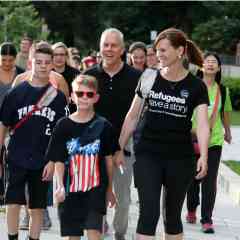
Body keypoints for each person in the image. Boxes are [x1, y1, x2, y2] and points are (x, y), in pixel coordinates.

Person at [116, 28, 210, 240]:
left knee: (172, 216)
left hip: (181, 158)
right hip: (148, 153)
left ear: (180, 51)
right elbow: (132, 116)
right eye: (157, 50)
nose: (158, 55)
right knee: (147, 214)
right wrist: (118, 147)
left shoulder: (196, 86)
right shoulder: (149, 77)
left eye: (164, 50)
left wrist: (203, 155)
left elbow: (203, 124)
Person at [0, 42, 67, 240]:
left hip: (43, 159)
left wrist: (54, 161)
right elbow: (4, 125)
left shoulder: (58, 98)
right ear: (31, 63)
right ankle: (12, 237)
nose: (43, 66)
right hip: (17, 155)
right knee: (12, 203)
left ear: (52, 65)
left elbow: (61, 134)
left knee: (36, 207)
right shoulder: (16, 93)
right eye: (39, 62)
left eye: (47, 62)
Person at [84, 28, 141, 240]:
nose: (109, 49)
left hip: (124, 146)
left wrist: (120, 146)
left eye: (113, 45)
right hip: (93, 146)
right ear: (100, 47)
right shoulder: (88, 76)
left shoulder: (136, 77)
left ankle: (119, 233)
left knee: (123, 198)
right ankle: (97, 229)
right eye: (105, 44)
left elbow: (138, 116)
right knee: (94, 195)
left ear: (122, 49)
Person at [45, 74, 117, 240]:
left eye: (89, 94)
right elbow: (58, 159)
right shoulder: (63, 125)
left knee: (94, 233)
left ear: (96, 97)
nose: (84, 98)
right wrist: (60, 185)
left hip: (96, 189)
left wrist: (110, 190)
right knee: (72, 235)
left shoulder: (104, 126)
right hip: (70, 190)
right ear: (72, 96)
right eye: (79, 93)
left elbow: (108, 161)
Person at [186, 52, 232, 233]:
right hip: (192, 138)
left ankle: (207, 219)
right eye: (207, 61)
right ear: (201, 66)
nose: (211, 64)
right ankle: (191, 208)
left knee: (209, 179)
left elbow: (226, 113)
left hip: (214, 140)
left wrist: (227, 132)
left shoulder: (223, 90)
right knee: (192, 178)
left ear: (219, 68)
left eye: (214, 62)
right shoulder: (192, 87)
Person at [0, 42, 24, 207]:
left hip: (16, 122)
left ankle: (9, 192)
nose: (7, 63)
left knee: (11, 158)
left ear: (15, 59)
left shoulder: (21, 75)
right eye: (3, 60)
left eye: (10, 60)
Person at [52, 42, 80, 113]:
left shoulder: (76, 74)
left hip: (72, 111)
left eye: (62, 54)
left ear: (66, 56)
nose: (59, 57)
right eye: (56, 55)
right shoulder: (47, 73)